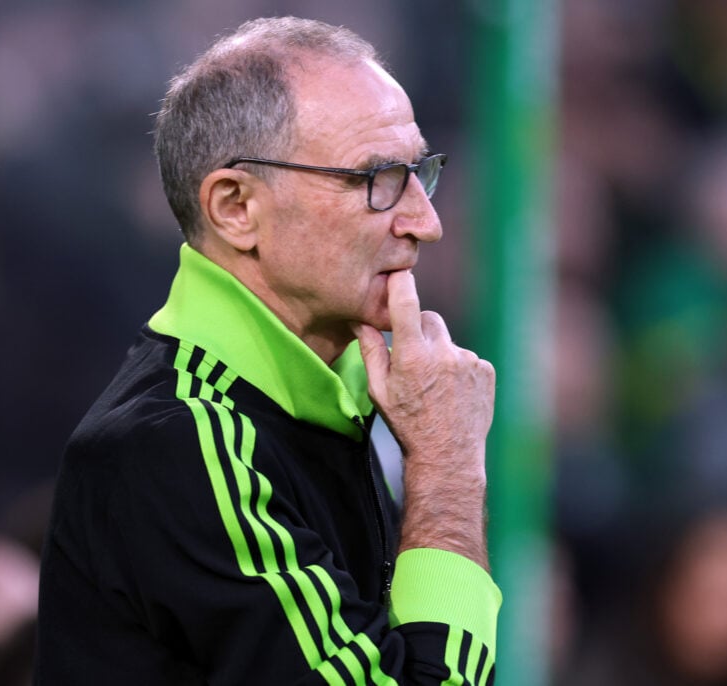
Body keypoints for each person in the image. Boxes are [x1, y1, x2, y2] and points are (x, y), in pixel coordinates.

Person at [35, 16, 500, 685]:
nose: (424, 222)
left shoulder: (335, 393)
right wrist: (450, 471)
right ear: (235, 208)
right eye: (376, 179)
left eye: (418, 173)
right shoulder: (181, 442)